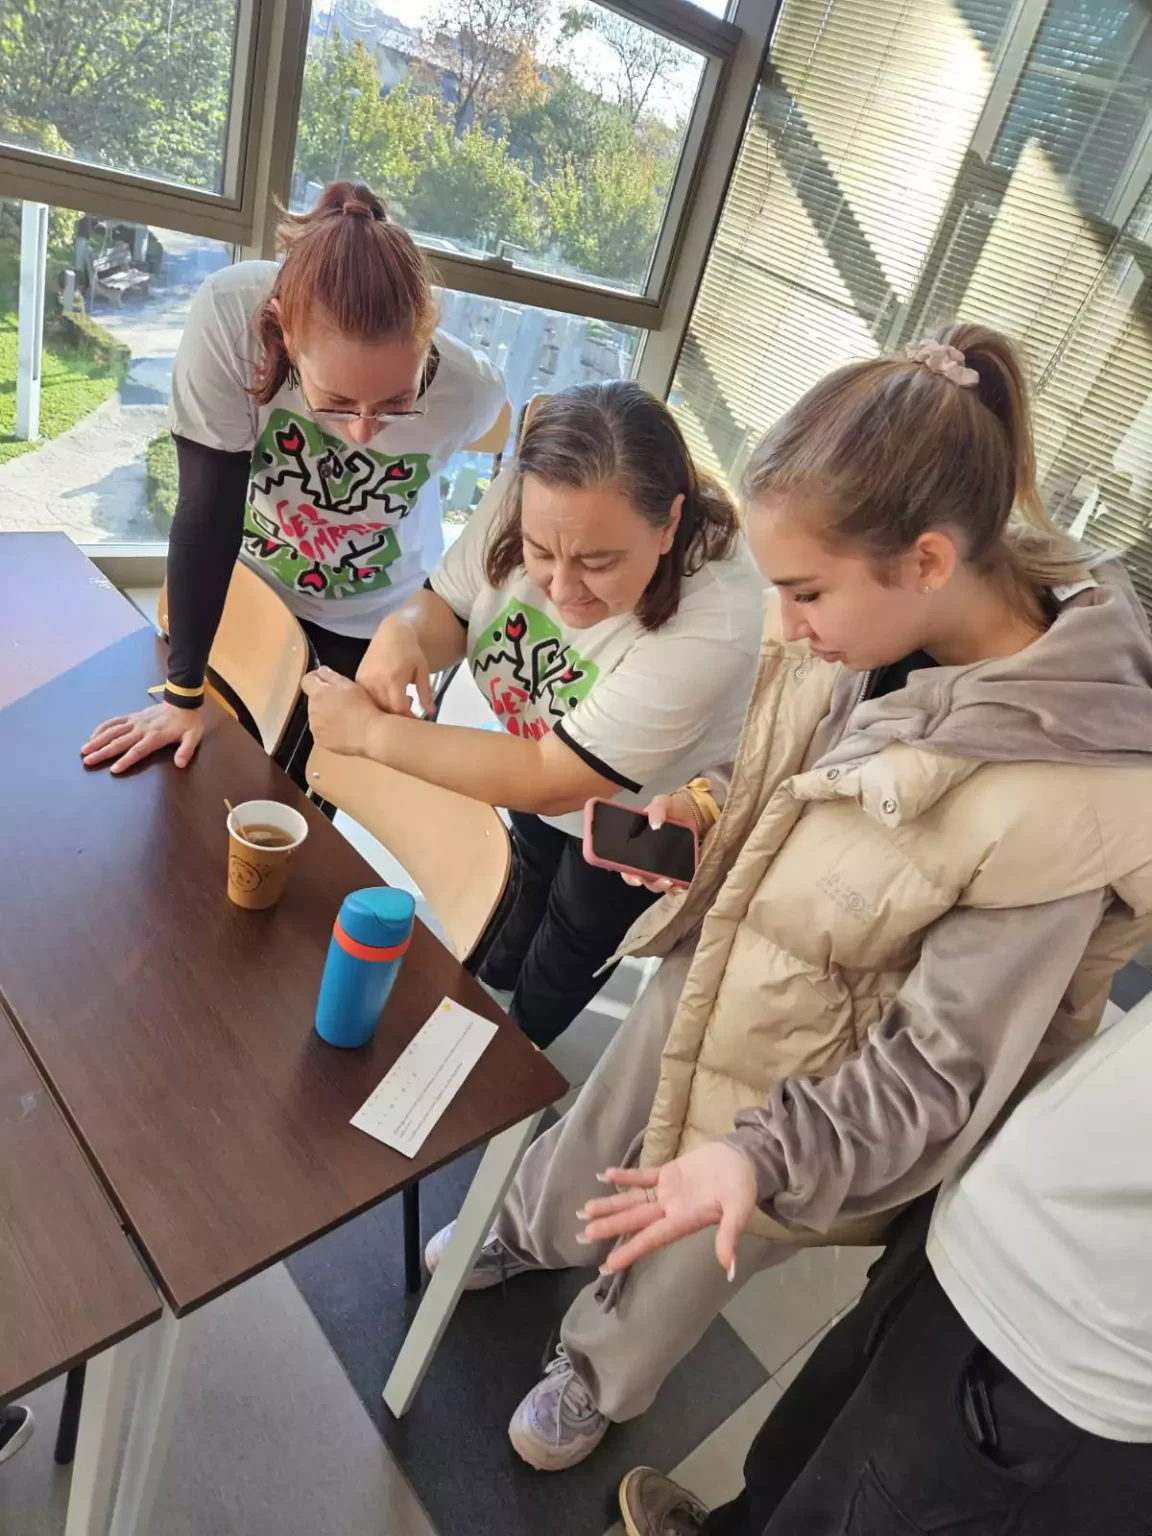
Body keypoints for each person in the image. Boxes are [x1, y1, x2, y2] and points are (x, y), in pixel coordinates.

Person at [418, 325, 1152, 1472]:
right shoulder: (869, 622)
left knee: (694, 1238)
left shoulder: (1071, 798)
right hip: (726, 957)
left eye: (806, 594)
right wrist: (707, 809)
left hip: (818, 1085)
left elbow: (940, 1070)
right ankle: (528, 1230)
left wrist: (766, 1159)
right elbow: (791, 767)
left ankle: (599, 1373)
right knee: (608, 1118)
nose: (790, 623)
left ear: (925, 560)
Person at [303, 381, 765, 1046]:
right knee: (526, 864)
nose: (562, 588)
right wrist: (403, 631)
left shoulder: (718, 618)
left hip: (642, 804)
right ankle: (493, 976)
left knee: (578, 927)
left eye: (598, 562)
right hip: (539, 736)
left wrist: (373, 733)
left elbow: (554, 778)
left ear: (669, 524)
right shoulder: (536, 490)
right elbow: (450, 607)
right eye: (540, 553)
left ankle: (515, 1051)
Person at [605, 996, 1152, 1535]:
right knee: (796, 1451)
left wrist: (776, 1150)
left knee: (848, 1513)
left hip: (1068, 1365)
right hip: (971, 1230)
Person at [80, 180, 505, 781]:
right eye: (335, 402)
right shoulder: (232, 315)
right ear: (282, 332)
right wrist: (182, 696)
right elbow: (207, 512)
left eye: (396, 403)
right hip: (249, 584)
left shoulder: (473, 390)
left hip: (371, 611)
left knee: (301, 791)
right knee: (206, 772)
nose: (363, 432)